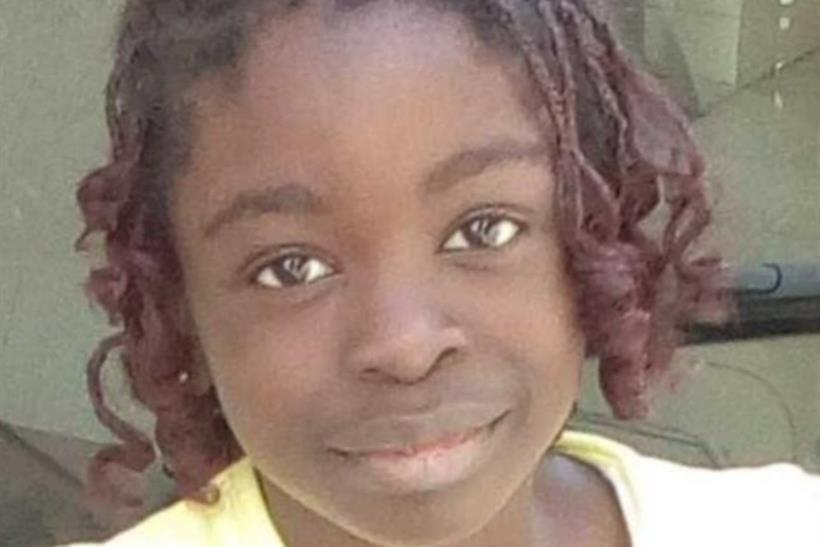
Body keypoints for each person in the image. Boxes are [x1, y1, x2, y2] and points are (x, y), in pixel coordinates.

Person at [63, 0, 820, 546]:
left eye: (483, 230)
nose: (406, 346)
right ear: (181, 310)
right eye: (290, 268)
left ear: (595, 248)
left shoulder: (774, 525)